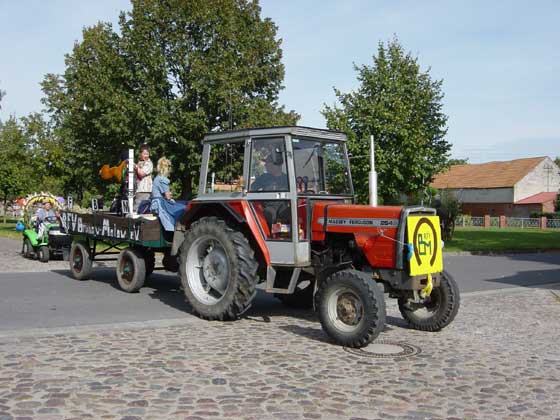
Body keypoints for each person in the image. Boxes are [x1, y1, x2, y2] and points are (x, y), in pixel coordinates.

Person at [150, 157, 186, 231]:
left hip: (157, 202)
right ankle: (178, 228)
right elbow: (168, 197)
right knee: (183, 208)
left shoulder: (157, 178)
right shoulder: (162, 179)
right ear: (167, 168)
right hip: (161, 204)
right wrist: (170, 195)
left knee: (180, 205)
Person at [134, 144, 153, 211]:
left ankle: (137, 220)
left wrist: (135, 167)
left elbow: (142, 173)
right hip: (138, 189)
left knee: (139, 208)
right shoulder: (140, 162)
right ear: (140, 154)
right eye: (144, 154)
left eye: (147, 154)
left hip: (144, 190)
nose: (146, 156)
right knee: (136, 206)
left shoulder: (148, 163)